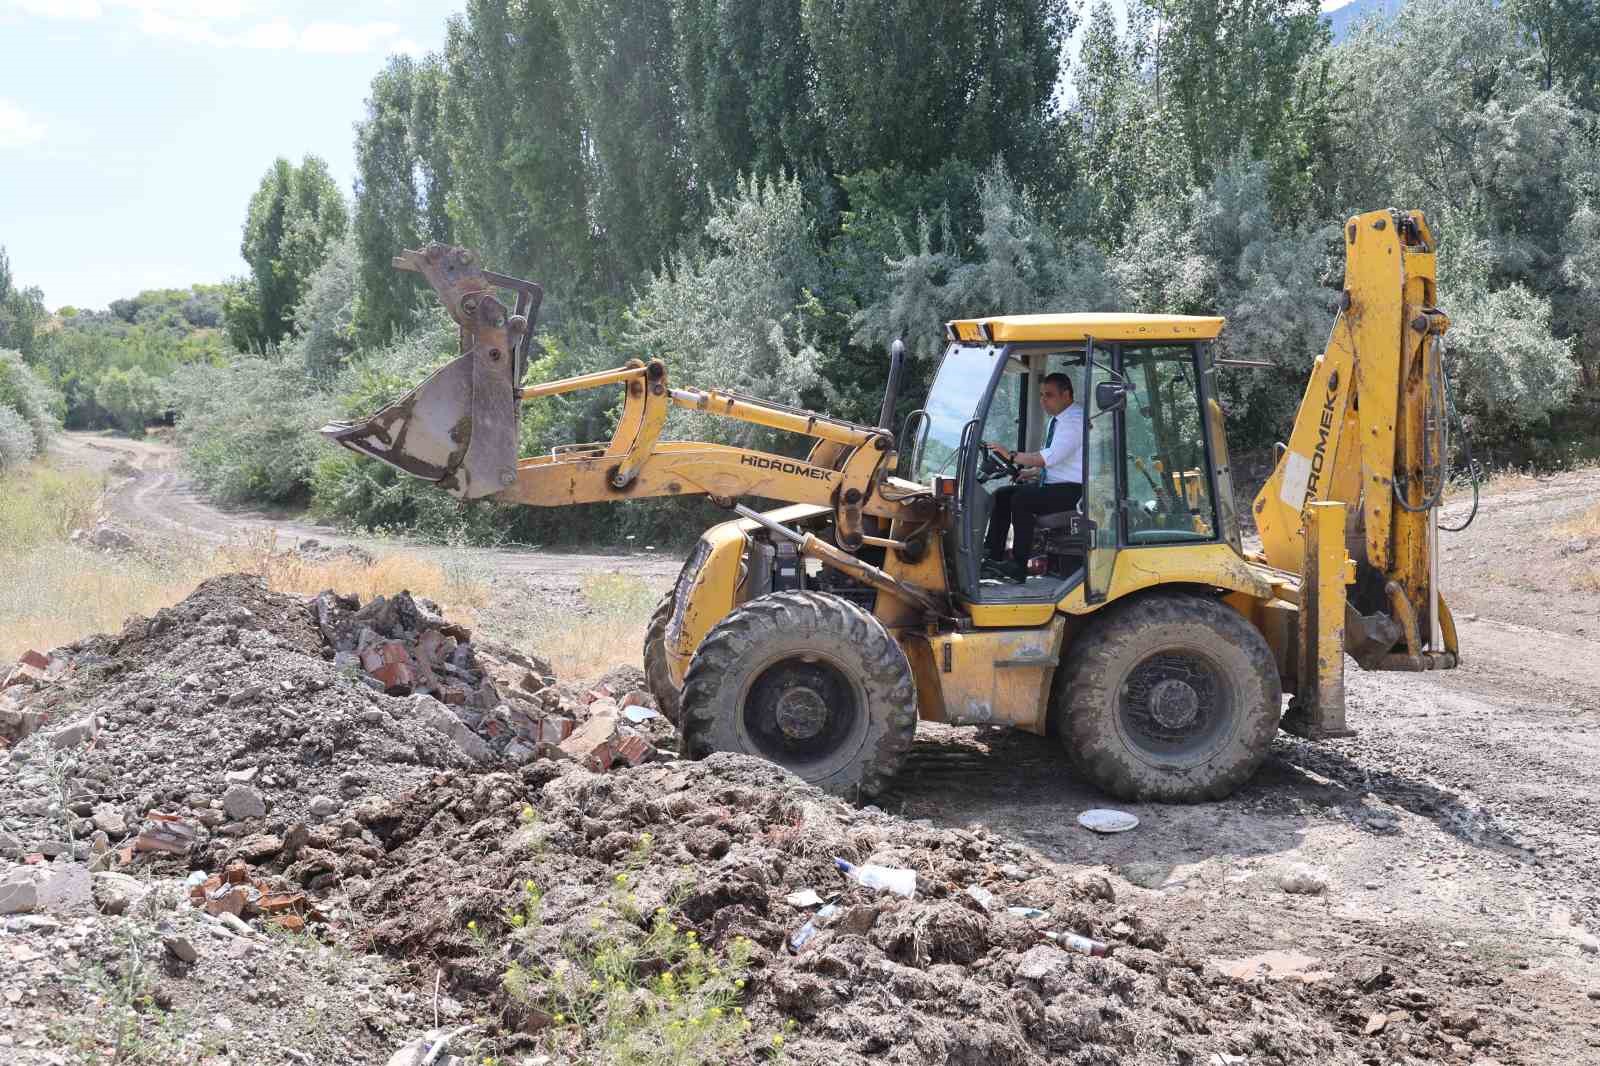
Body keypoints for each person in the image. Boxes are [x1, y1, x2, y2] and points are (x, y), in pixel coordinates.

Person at [982, 372, 1082, 578]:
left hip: (1074, 491)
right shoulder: (1060, 419)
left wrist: (1010, 455)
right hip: (1057, 484)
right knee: (1003, 495)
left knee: (1022, 500)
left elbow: (1047, 457)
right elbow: (1061, 461)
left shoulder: (1074, 422)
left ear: (1066, 395)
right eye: (1042, 395)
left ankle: (1018, 565)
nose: (1043, 401)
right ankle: (992, 556)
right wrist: (1030, 473)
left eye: (1049, 395)